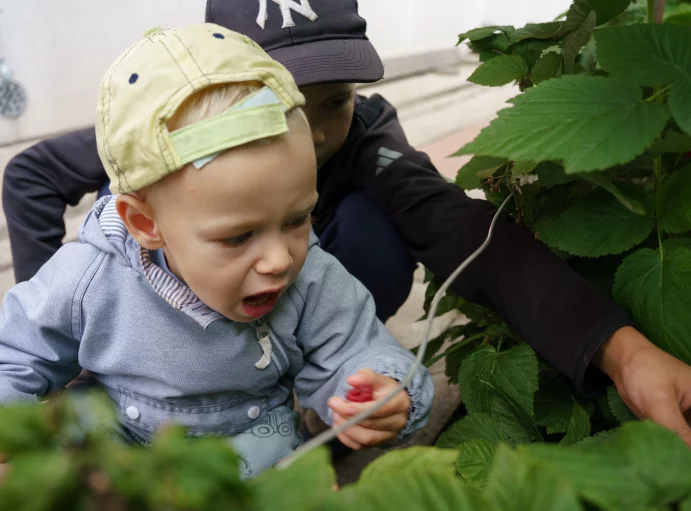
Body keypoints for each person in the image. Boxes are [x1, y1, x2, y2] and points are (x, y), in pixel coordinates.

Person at [1, 0, 691, 464]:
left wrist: (623, 353)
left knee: (360, 249)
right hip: (135, 380)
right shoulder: (147, 157)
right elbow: (31, 199)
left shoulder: (330, 228)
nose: (320, 131)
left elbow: (459, 226)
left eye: (334, 102)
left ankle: (313, 374)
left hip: (280, 366)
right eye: (284, 97)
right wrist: (69, 331)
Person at [0, 23, 433, 478]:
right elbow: (18, 350)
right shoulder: (91, 276)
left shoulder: (311, 282)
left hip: (250, 459)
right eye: (238, 237)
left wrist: (381, 388)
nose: (279, 260)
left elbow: (354, 348)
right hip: (118, 458)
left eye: (296, 220)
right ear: (147, 224)